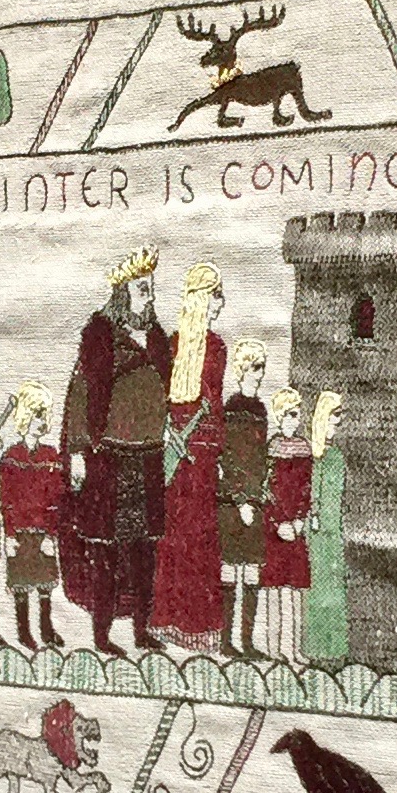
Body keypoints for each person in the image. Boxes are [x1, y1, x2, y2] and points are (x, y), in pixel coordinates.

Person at [61, 249, 174, 654]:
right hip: (109, 458)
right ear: (123, 293)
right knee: (106, 551)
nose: (150, 297)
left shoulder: (157, 337)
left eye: (151, 289)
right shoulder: (100, 334)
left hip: (149, 457)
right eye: (143, 289)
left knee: (145, 550)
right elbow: (81, 391)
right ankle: (102, 636)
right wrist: (77, 451)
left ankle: (142, 632)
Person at [152, 260, 231, 646]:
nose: (221, 303)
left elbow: (213, 406)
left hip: (198, 455)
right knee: (175, 535)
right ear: (200, 298)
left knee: (197, 539)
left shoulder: (214, 347)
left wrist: (215, 452)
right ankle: (172, 621)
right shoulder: (175, 346)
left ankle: (193, 625)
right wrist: (170, 433)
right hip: (178, 453)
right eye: (216, 295)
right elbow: (161, 401)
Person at [215, 343, 275, 658]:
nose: (259, 374)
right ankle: (227, 642)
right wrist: (240, 500)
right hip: (232, 500)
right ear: (241, 371)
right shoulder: (232, 408)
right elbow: (227, 457)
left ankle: (247, 642)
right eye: (254, 368)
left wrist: (260, 492)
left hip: (255, 499)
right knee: (230, 569)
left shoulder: (261, 410)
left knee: (252, 571)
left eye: (261, 367)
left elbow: (260, 456)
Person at [0, 381, 65, 650]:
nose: (42, 421)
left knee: (45, 585)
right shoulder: (11, 457)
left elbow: (56, 498)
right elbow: (6, 499)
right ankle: (24, 633)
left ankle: (47, 630)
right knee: (21, 584)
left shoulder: (51, 455)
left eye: (45, 415)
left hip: (42, 531)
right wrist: (9, 535)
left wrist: (51, 534)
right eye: (37, 414)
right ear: (25, 416)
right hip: (20, 532)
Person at [263, 385, 315, 663]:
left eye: (297, 414)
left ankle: (294, 649)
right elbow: (267, 490)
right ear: (280, 416)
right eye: (290, 414)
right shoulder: (271, 448)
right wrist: (277, 523)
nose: (294, 420)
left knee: (295, 589)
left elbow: (306, 489)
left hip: (296, 528)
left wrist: (298, 521)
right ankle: (273, 650)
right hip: (275, 529)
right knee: (273, 589)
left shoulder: (304, 448)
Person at [302, 389, 350, 667]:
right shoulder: (315, 456)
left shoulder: (337, 457)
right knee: (317, 586)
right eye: (333, 417)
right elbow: (312, 491)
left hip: (333, 530)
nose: (337, 423)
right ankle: (315, 647)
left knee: (333, 587)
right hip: (318, 530)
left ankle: (334, 648)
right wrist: (316, 514)